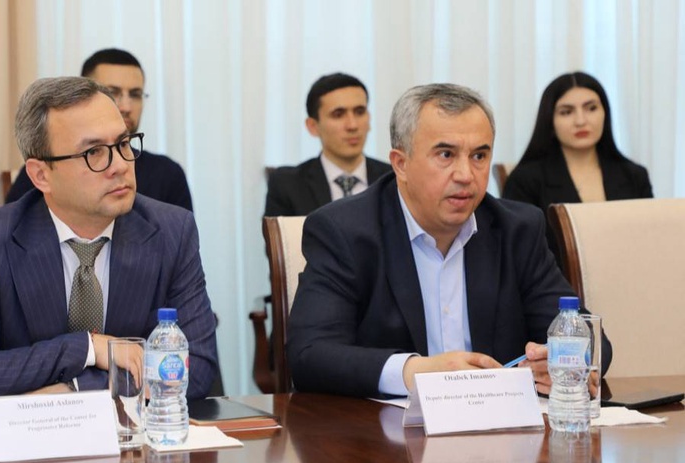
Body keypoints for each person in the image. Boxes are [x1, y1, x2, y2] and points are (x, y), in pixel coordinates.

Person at [287, 83, 611, 398]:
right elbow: (310, 355)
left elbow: (588, 338)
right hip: (383, 428)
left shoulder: (517, 229)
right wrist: (415, 371)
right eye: (446, 154)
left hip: (498, 425)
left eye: (479, 156)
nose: (466, 175)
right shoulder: (344, 231)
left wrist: (564, 362)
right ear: (401, 164)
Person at [0, 76, 219, 415]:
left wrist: (70, 390)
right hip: (29, 445)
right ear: (41, 175)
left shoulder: (172, 232)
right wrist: (87, 348)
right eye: (93, 153)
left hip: (134, 441)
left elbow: (197, 368)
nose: (120, 165)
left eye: (123, 143)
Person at [5, 48, 193, 211]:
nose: (126, 106)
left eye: (135, 94)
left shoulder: (167, 174)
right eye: (113, 93)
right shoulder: (50, 170)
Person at [503, 71, 653, 260]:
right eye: (566, 112)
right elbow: (519, 255)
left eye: (591, 108)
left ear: (605, 113)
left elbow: (650, 243)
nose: (581, 121)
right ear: (550, 121)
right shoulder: (525, 180)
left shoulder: (635, 175)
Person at [264, 73, 393, 216]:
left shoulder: (394, 179)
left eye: (359, 112)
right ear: (313, 126)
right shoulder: (288, 185)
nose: (352, 125)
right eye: (338, 114)